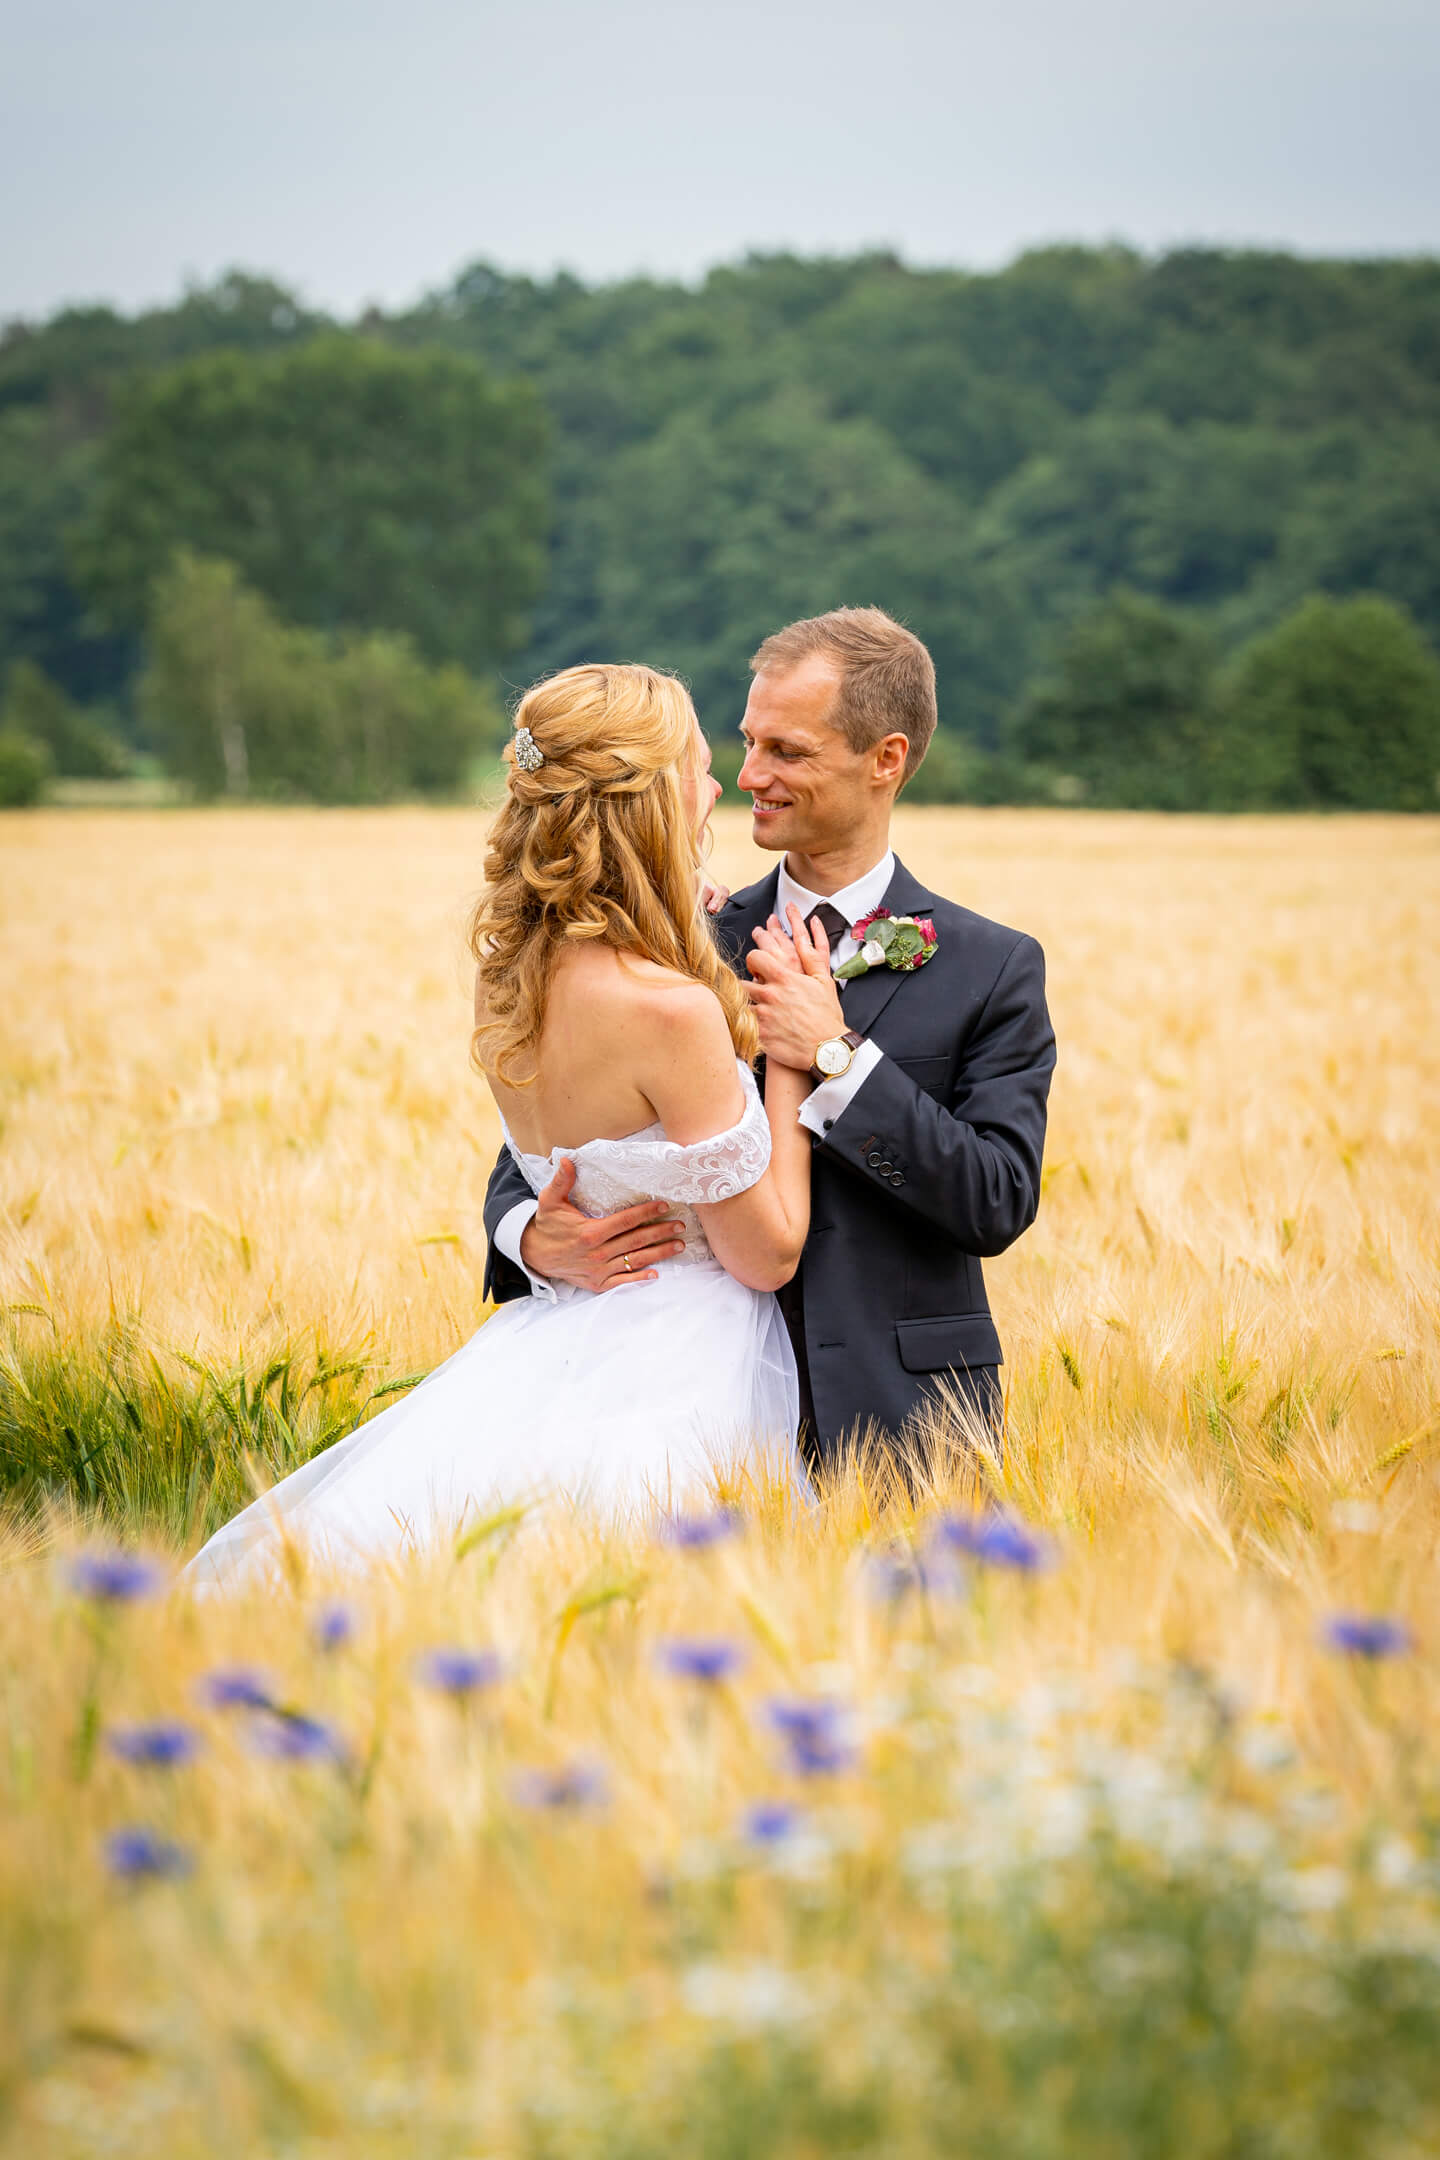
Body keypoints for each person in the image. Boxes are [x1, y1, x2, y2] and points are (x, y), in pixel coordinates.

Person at [185, 664, 815, 1586]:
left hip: (559, 1341)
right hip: (683, 1359)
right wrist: (795, 1059)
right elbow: (766, 1254)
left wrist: (527, 1230)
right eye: (701, 770)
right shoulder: (670, 1010)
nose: (719, 790)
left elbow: (576, 1159)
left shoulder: (508, 980)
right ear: (648, 800)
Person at [485, 608, 1056, 1470]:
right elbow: (551, 1140)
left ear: (886, 760)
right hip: (681, 1408)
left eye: (787, 751)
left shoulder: (993, 966)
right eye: (747, 743)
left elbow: (997, 1199)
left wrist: (840, 1060)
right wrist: (527, 1234)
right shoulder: (675, 945)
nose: (751, 774)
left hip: (902, 1418)